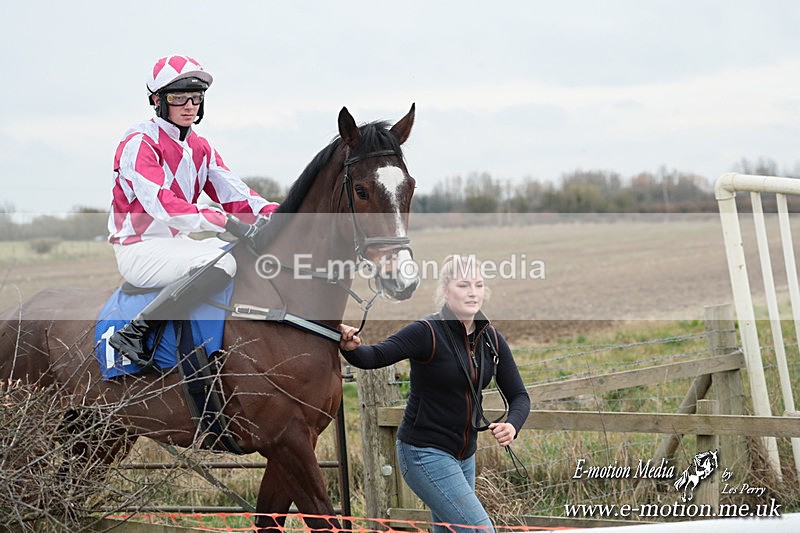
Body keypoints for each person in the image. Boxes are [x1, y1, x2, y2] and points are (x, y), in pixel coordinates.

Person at [107, 54, 279, 364]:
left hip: (176, 245)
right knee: (222, 264)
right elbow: (163, 206)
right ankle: (134, 332)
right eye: (178, 97)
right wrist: (222, 220)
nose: (189, 105)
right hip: (138, 249)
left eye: (196, 97)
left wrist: (279, 213)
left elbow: (235, 193)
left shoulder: (201, 146)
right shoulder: (139, 141)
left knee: (243, 254)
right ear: (157, 100)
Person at [339, 255, 530, 533]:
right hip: (423, 452)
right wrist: (350, 346)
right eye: (463, 285)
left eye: (478, 285)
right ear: (445, 290)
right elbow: (373, 357)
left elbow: (520, 396)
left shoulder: (491, 339)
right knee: (480, 530)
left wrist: (512, 424)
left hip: (465, 457)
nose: (473, 292)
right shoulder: (426, 332)